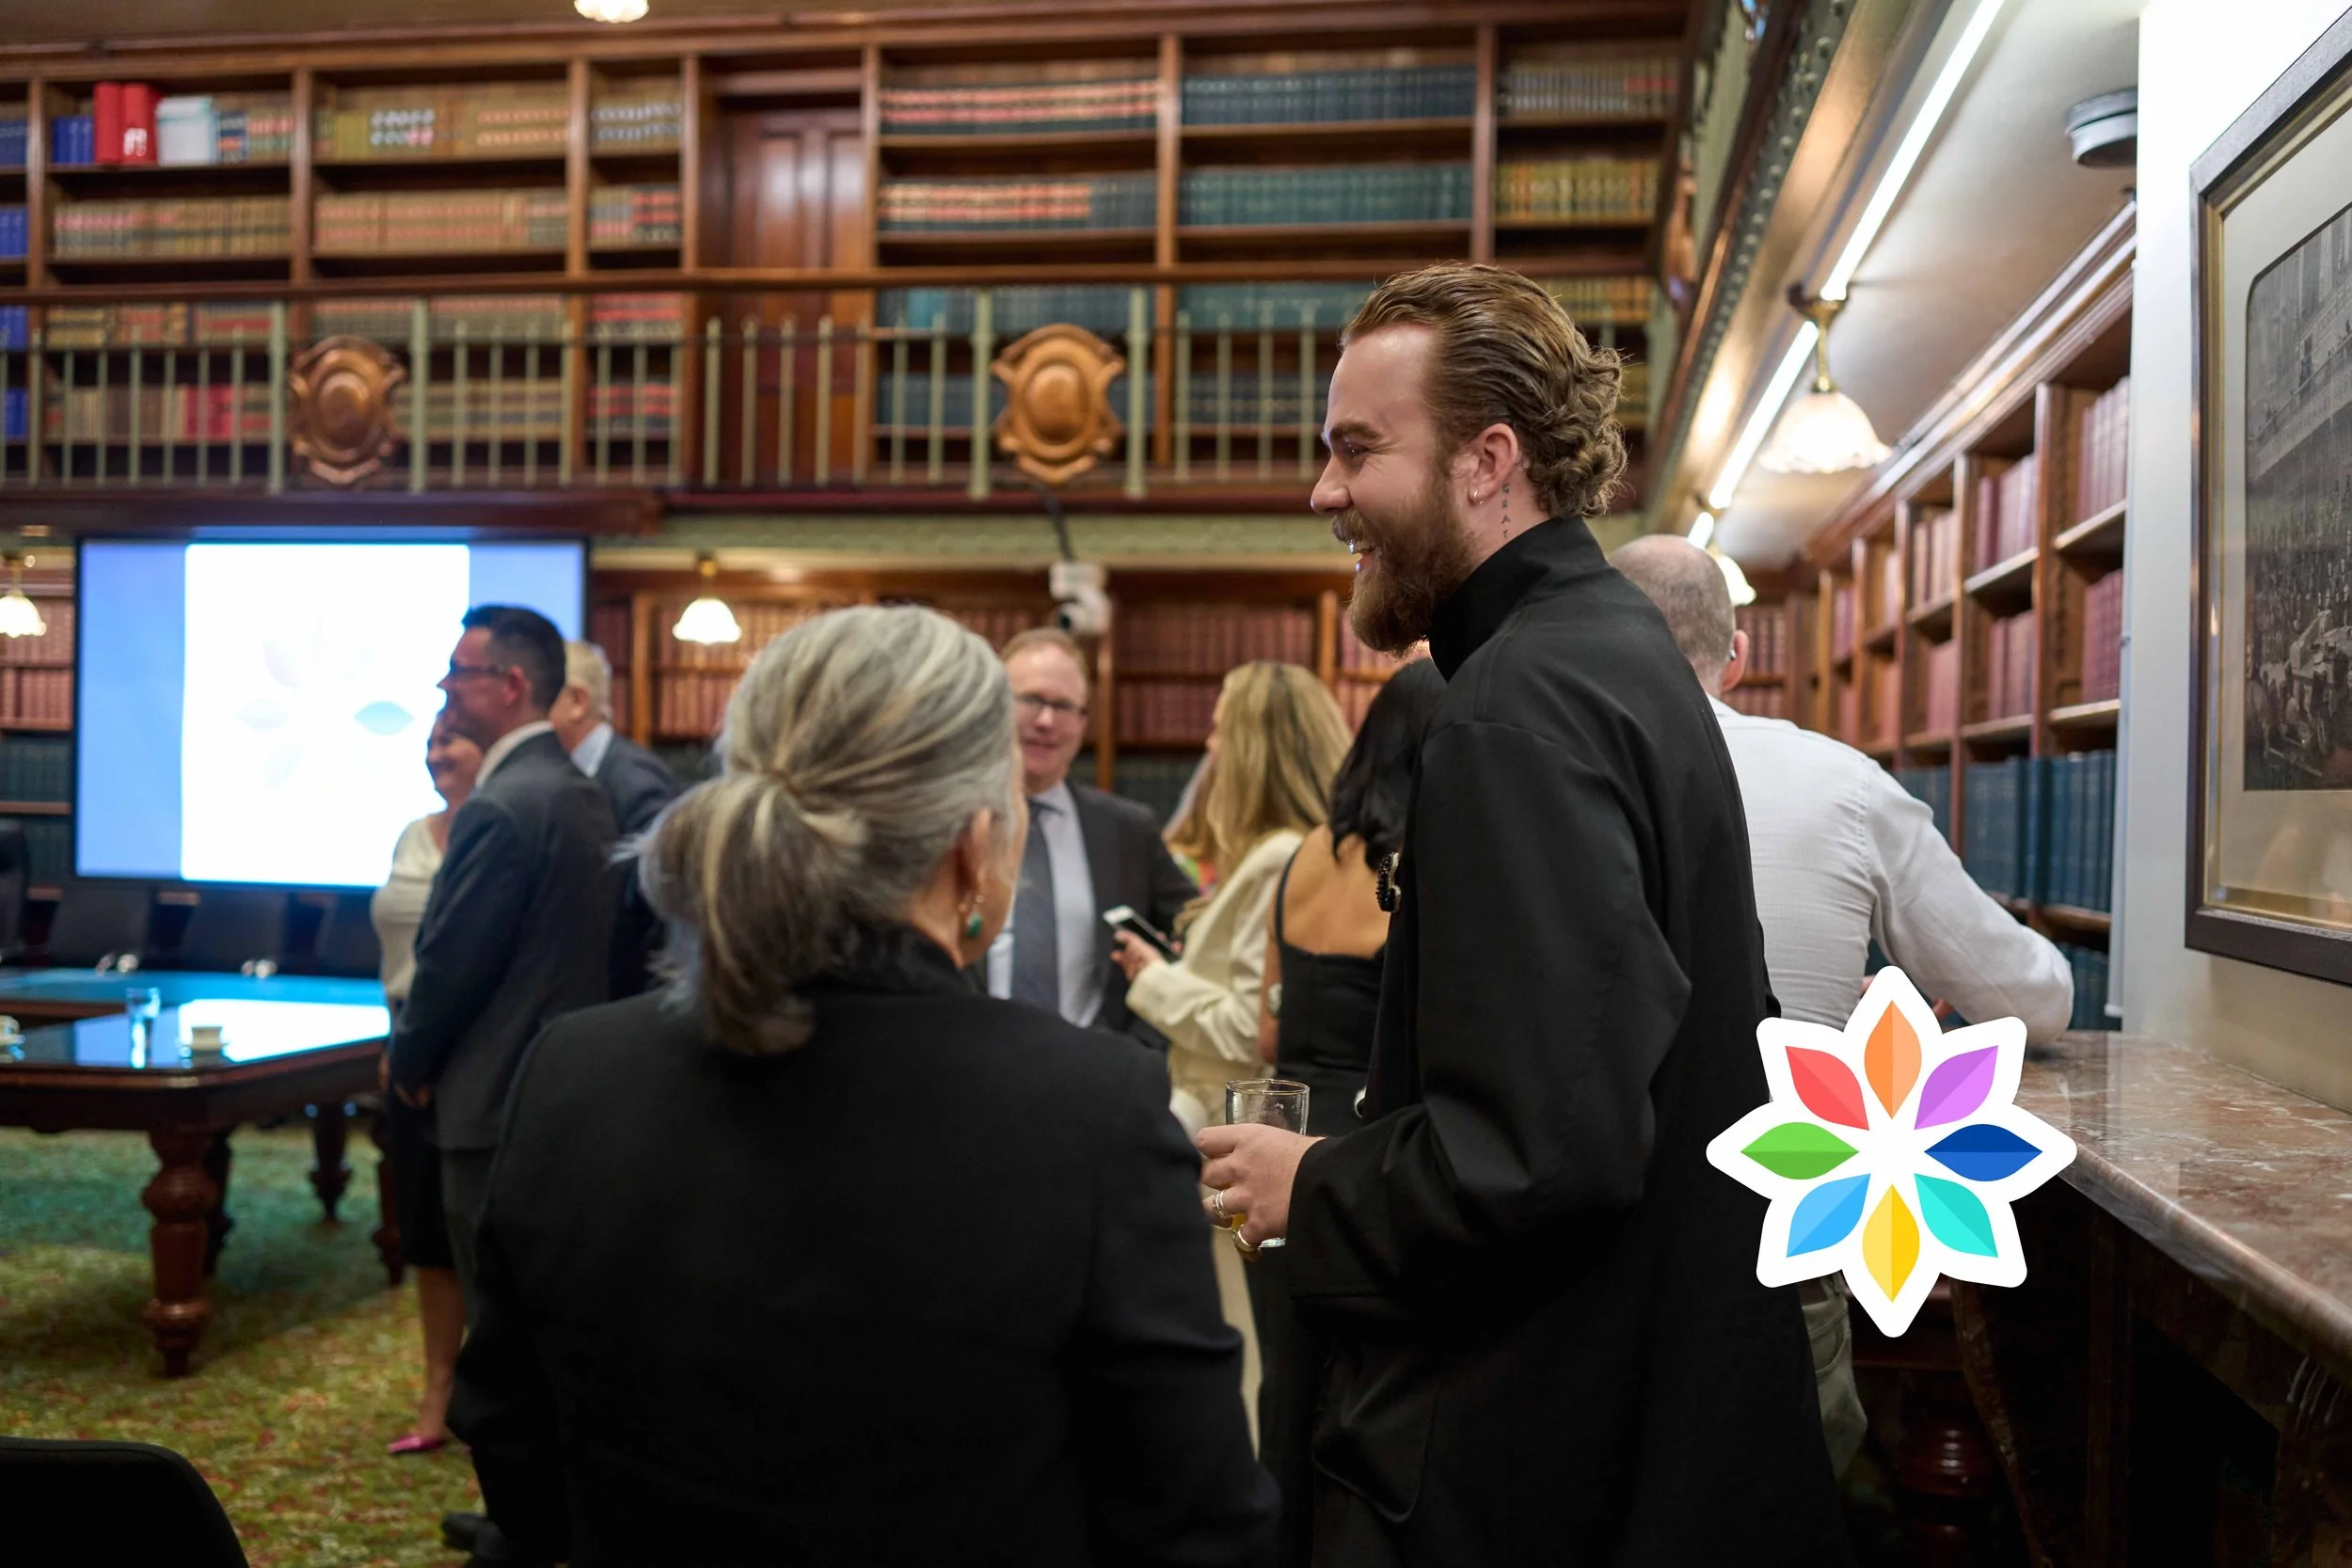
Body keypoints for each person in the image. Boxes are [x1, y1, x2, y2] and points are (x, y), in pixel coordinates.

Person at [1194, 261, 1852, 1564]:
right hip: (1653, 1415)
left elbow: (1539, 1152)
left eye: (1357, 450)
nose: (1323, 491)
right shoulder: (1611, 650)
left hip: (1545, 1447)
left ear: (1487, 460)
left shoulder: (1513, 706)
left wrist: (1312, 1180)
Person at [445, 606, 1278, 1567]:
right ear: (974, 843)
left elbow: (519, 1468)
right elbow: (1197, 1516)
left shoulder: (572, 1073)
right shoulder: (1095, 1111)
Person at [1613, 531, 2076, 1479]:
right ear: (1738, 657)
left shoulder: (1540, 772)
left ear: (1603, 640)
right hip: (1771, 1237)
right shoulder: (1842, 784)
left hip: (1582, 1242)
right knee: (1774, 1504)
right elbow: (2035, 997)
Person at [1249, 657, 1444, 1565]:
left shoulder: (1300, 856)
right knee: (1365, 1397)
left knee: (1285, 1385)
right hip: (1358, 1148)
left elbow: (1266, 1025)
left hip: (1276, 1137)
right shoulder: (1419, 869)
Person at [1113, 660, 1351, 1135]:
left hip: (1228, 1119)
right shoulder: (1295, 849)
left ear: (1252, 750)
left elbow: (1249, 1029)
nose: (1210, 745)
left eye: (1220, 729)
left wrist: (1153, 978)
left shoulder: (1279, 857)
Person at [983, 627, 1197, 1033]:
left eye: (1064, 706)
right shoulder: (951, 821)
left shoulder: (1126, 831)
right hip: (972, 1057)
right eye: (1031, 700)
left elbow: (1198, 932)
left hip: (1095, 1062)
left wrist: (1145, 1046)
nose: (1047, 721)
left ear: (1083, 723)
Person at [368, 708, 483, 1459]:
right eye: (431, 741)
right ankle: (439, 1385)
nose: (437, 753)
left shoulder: (501, 831)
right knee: (427, 1232)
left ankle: (492, 1387)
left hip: (473, 1052)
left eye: (452, 740)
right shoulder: (413, 832)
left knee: (482, 1230)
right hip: (406, 1044)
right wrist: (402, 1043)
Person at [549, 640, 681, 995]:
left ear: (577, 701)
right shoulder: (580, 775)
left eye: (541, 696)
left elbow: (661, 903)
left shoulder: (634, 781)